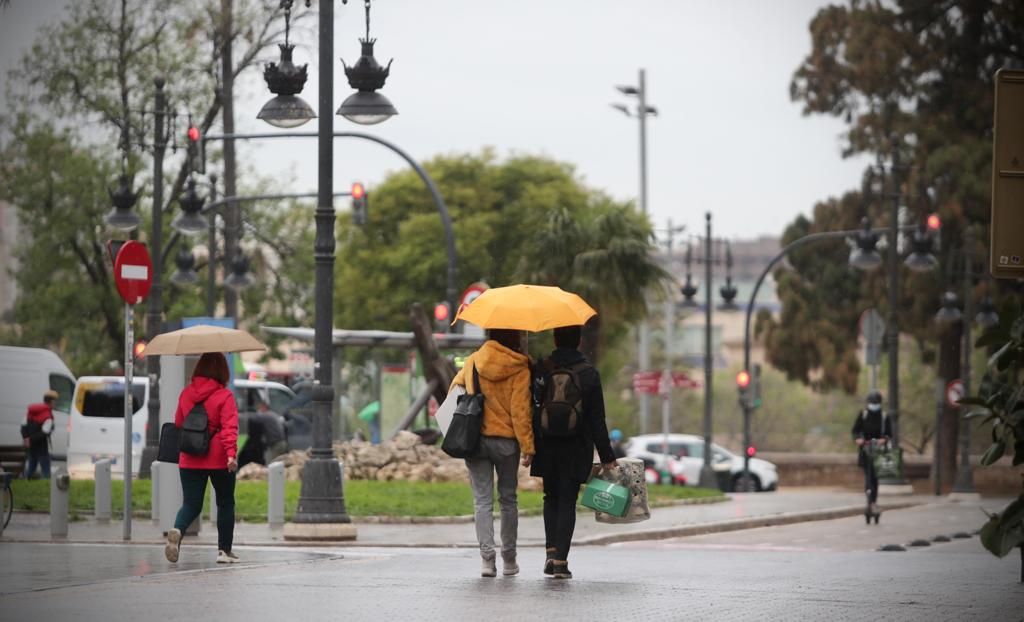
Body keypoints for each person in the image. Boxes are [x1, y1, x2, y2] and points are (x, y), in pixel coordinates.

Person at [530, 325, 616, 580]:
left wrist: (530, 444)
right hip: (576, 445)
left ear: (555, 339)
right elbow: (597, 419)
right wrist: (607, 455)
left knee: (550, 496)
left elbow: (532, 407)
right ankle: (560, 561)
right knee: (567, 500)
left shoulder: (542, 369)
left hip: (546, 443)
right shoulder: (589, 373)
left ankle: (550, 551)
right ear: (579, 341)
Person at [449, 328, 534, 578]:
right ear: (514, 337)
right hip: (507, 444)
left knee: (482, 501)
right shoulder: (520, 368)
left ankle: (487, 561)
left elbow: (455, 391)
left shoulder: (474, 360)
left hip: (475, 440)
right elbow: (520, 413)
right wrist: (528, 447)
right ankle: (509, 559)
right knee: (508, 500)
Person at [165, 352, 240, 565]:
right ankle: (224, 551)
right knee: (225, 502)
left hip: (190, 456)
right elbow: (229, 428)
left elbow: (179, 422)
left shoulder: (186, 394)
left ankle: (177, 531)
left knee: (191, 504)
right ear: (223, 372)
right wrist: (231, 455)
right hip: (218, 458)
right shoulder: (224, 396)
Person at [851, 389, 892, 517]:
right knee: (868, 477)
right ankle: (869, 502)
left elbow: (889, 434)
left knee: (875, 478)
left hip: (878, 452)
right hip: (865, 450)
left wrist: (883, 440)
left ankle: (874, 502)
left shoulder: (884, 416)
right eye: (872, 402)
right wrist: (858, 439)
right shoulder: (863, 415)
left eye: (876, 402)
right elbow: (855, 431)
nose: (874, 405)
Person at [22, 390, 58, 479]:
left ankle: (27, 481)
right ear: (52, 402)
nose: (56, 404)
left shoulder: (30, 412)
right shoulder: (48, 416)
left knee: (31, 468)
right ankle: (46, 486)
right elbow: (44, 433)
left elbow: (23, 427)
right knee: (46, 471)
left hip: (31, 446)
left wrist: (27, 438)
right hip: (42, 447)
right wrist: (30, 439)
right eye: (55, 401)